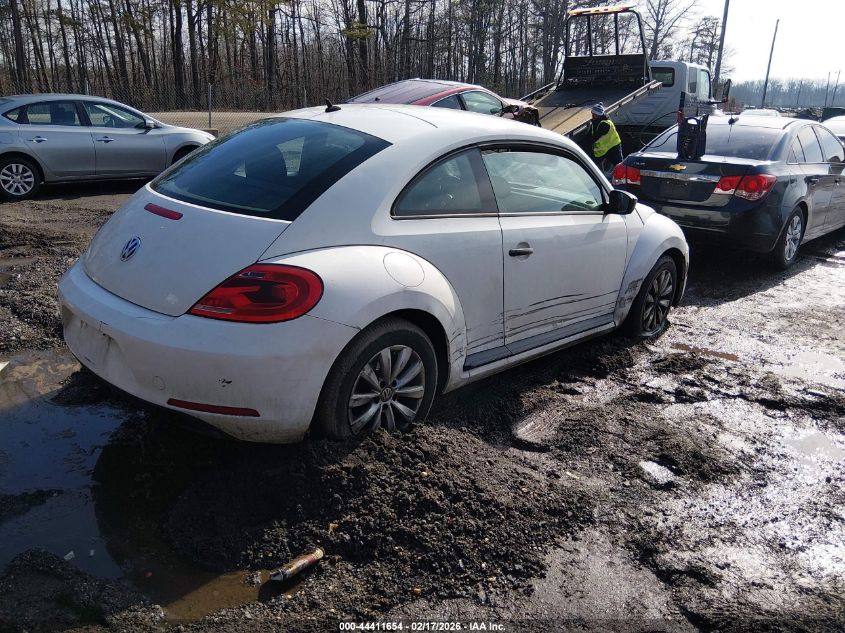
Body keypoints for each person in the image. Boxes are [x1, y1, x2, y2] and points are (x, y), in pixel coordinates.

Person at [589, 103, 623, 174]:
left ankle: (622, 176)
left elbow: (594, 137)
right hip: (605, 148)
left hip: (613, 147)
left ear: (597, 115)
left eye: (593, 114)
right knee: (597, 165)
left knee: (619, 164)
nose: (592, 116)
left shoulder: (605, 124)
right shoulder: (598, 121)